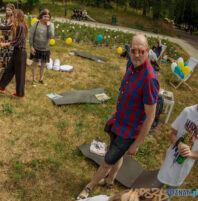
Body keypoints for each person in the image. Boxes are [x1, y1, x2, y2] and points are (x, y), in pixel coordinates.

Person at [76, 34, 159, 200]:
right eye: (133, 50)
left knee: (107, 161)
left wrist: (136, 144)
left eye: (140, 51)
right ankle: (110, 181)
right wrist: (115, 111)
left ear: (147, 51)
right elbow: (124, 92)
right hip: (119, 122)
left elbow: (150, 117)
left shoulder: (150, 79)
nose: (136, 54)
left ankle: (89, 187)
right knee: (117, 155)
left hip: (129, 131)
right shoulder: (131, 66)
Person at [144, 104, 198, 201]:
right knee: (153, 189)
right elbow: (172, 134)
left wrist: (191, 154)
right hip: (170, 162)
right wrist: (179, 144)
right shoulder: (188, 112)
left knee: (166, 196)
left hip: (182, 169)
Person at [0, 9, 28, 98]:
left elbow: (18, 41)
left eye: (13, 15)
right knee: (9, 70)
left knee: (20, 74)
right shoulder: (16, 25)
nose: (11, 16)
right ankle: (2, 86)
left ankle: (20, 94)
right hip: (16, 51)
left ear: (17, 16)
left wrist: (5, 44)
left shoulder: (21, 26)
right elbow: (7, 27)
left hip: (21, 53)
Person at [30, 9, 55, 86]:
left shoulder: (51, 25)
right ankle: (34, 79)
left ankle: (41, 79)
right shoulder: (36, 24)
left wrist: (49, 26)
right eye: (45, 16)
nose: (46, 18)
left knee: (43, 65)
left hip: (45, 48)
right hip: (36, 47)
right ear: (41, 16)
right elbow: (31, 36)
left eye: (48, 17)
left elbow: (51, 36)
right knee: (35, 64)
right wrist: (31, 47)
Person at [0, 3, 15, 72]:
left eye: (9, 10)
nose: (8, 11)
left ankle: (10, 69)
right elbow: (3, 28)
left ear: (13, 10)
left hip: (11, 38)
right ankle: (4, 68)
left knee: (10, 54)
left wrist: (2, 27)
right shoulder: (5, 18)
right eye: (7, 10)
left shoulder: (14, 19)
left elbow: (9, 28)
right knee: (4, 53)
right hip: (5, 37)